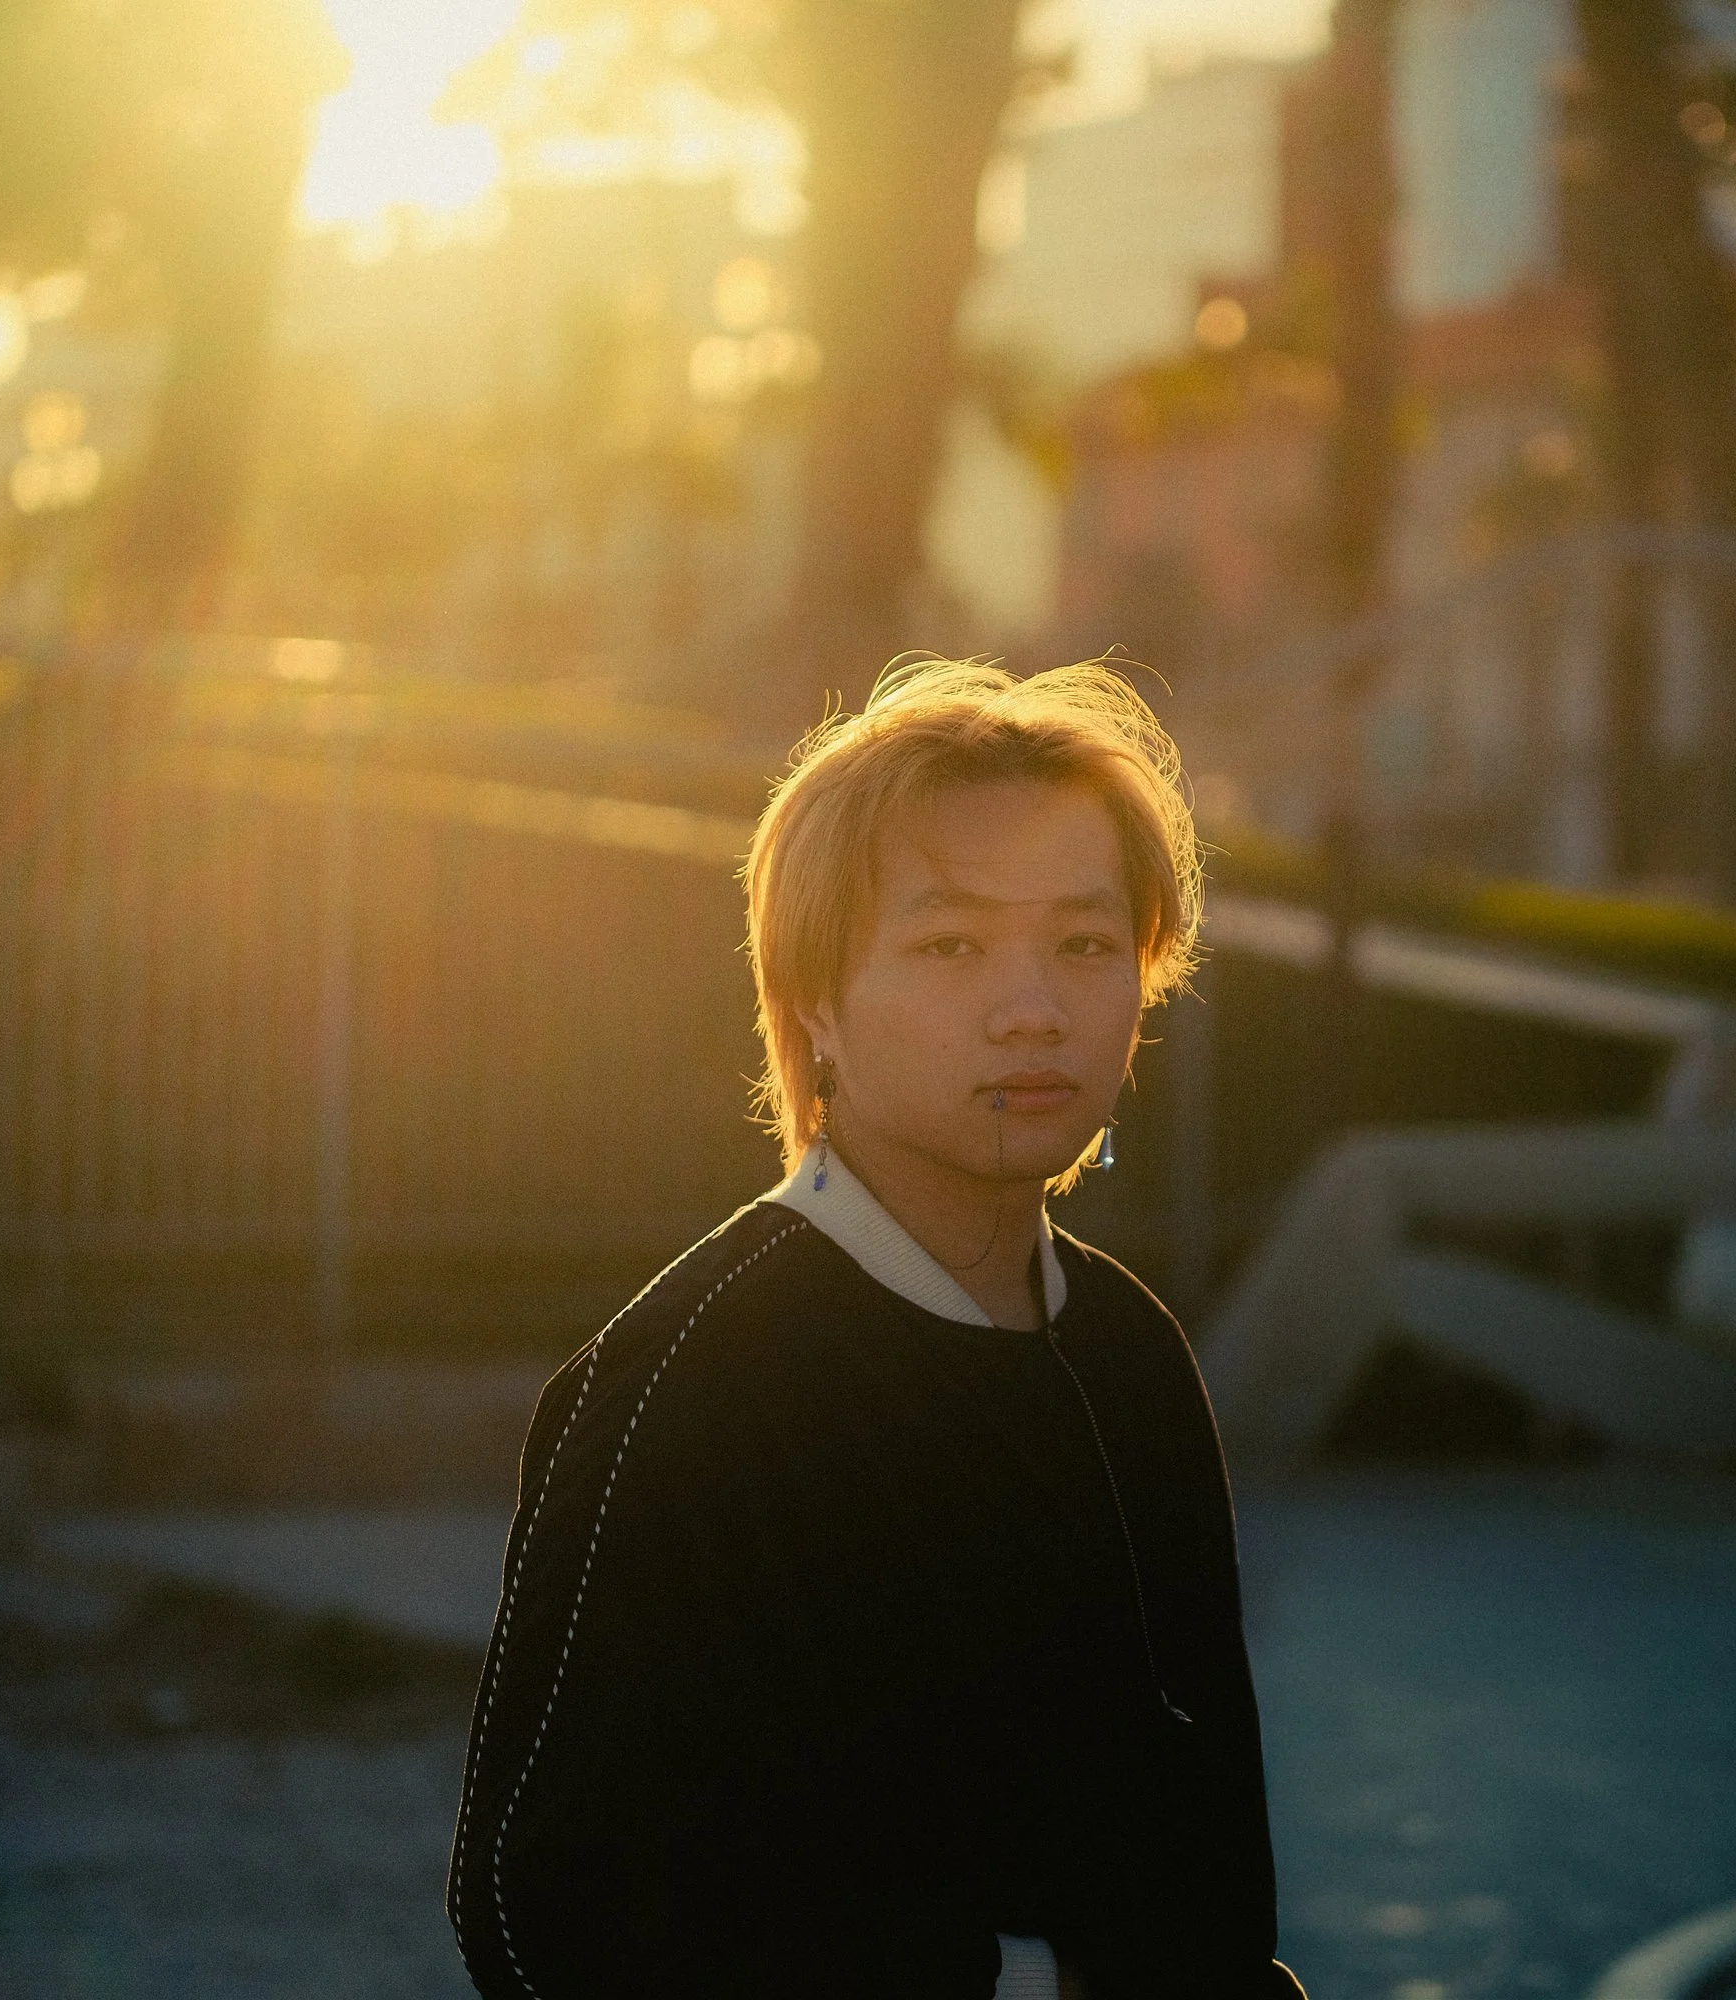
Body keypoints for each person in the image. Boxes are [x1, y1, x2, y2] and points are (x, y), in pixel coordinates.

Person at [447, 660, 1301, 2000]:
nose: (1033, 1006)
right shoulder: (691, 1381)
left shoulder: (1133, 1359)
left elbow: (1208, 1885)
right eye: (951, 945)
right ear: (817, 1003)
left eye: (1084, 944)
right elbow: (539, 1905)